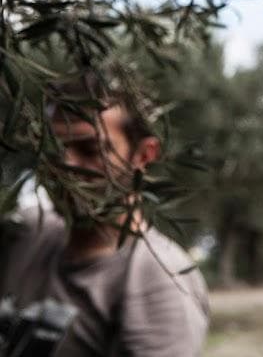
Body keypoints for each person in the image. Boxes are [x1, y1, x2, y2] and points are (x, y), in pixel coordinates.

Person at [0, 69, 209, 356]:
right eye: (53, 149)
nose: (64, 167)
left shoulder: (158, 285)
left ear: (143, 155)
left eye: (90, 149)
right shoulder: (23, 235)